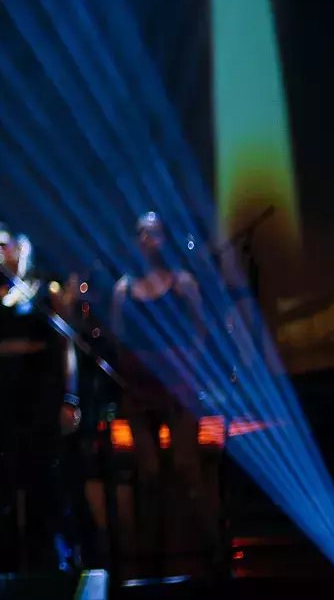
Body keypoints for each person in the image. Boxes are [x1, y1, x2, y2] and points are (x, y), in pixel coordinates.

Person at [109, 211, 215, 572]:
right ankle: (150, 559)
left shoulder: (183, 283)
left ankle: (209, 553)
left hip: (179, 387)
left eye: (154, 233)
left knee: (187, 466)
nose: (147, 240)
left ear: (165, 240)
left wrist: (187, 372)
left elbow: (201, 332)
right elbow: (119, 340)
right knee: (149, 472)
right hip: (140, 390)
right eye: (141, 234)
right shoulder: (123, 290)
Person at [0, 223, 81, 572]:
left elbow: (66, 348)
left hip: (38, 393)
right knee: (2, 476)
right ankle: (1, 561)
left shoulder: (44, 290)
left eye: (5, 245)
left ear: (22, 248)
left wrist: (70, 396)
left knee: (40, 477)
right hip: (1, 394)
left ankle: (46, 560)